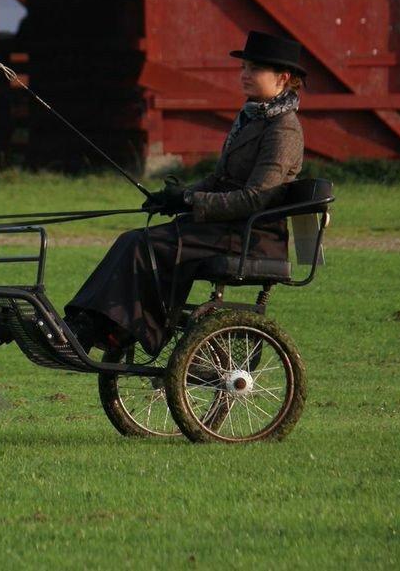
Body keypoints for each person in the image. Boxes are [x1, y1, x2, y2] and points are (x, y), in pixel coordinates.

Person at [64, 31, 307, 355]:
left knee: (143, 244)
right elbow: (220, 178)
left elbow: (256, 198)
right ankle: (89, 323)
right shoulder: (252, 119)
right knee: (132, 239)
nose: (244, 75)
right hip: (224, 226)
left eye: (254, 69)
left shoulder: (284, 129)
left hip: (252, 235)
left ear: (283, 78)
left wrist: (192, 201)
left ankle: (103, 328)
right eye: (244, 67)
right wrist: (176, 196)